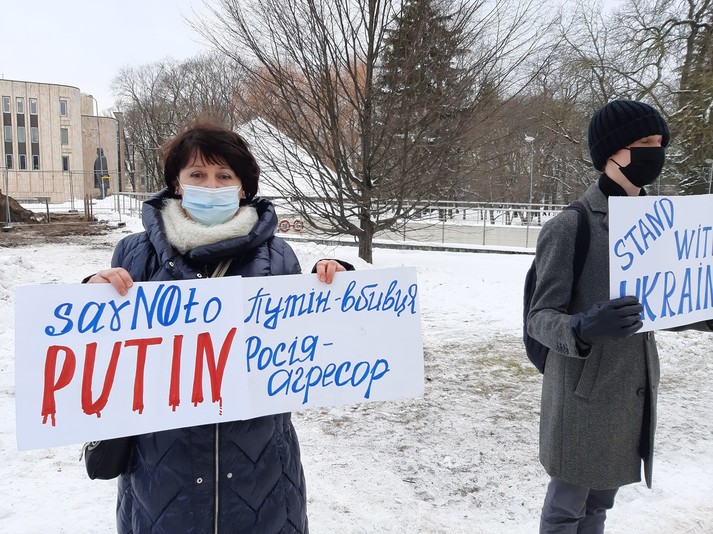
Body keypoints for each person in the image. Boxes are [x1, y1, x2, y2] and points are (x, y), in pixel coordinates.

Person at [87, 117, 352, 533]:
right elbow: (104, 348)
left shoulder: (278, 256)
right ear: (176, 183)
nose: (211, 186)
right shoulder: (134, 253)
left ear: (243, 187)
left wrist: (335, 284)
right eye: (197, 174)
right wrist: (93, 292)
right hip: (162, 476)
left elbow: (307, 341)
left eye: (224, 176)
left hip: (260, 474)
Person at [527, 99, 671, 533]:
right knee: (566, 508)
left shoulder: (662, 224)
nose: (656, 151)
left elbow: (667, 299)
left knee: (600, 505)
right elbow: (540, 316)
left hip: (631, 391)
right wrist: (582, 327)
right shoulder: (571, 226)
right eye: (645, 142)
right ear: (611, 151)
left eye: (660, 142)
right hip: (582, 394)